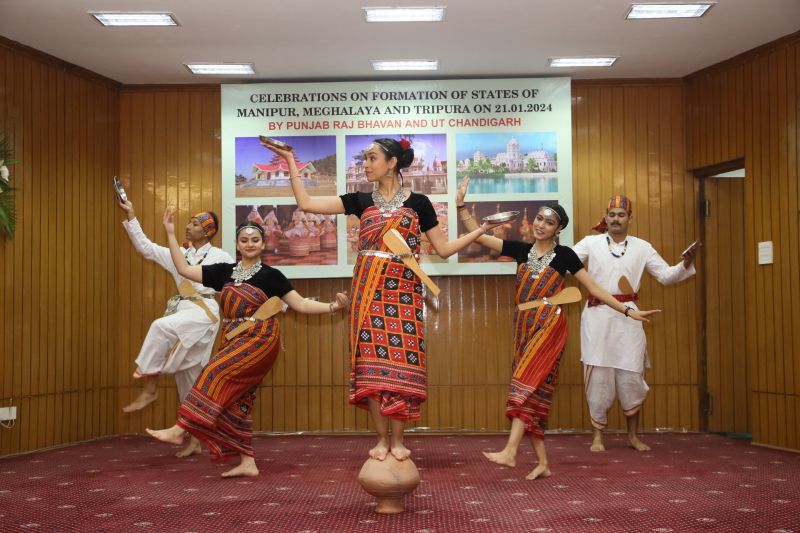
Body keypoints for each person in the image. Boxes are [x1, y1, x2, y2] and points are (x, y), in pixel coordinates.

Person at [263, 138, 502, 462]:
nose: (365, 163)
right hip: (367, 291)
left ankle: (399, 439)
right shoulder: (359, 200)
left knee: (402, 361)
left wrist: (481, 230)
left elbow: (443, 249)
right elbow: (305, 203)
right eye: (364, 158)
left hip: (403, 292)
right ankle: (380, 438)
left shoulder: (419, 203)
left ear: (392, 162)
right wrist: (291, 160)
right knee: (371, 363)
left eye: (372, 158)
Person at [457, 178, 660, 479]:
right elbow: (480, 237)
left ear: (558, 229)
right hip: (523, 326)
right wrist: (461, 205)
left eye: (549, 222)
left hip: (550, 325)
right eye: (539, 218)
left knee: (524, 383)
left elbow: (597, 289)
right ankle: (542, 463)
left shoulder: (566, 256)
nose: (540, 224)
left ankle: (511, 451)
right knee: (536, 392)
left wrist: (628, 311)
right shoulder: (520, 250)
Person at [146, 215, 349, 478]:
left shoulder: (272, 276)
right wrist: (171, 234)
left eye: (255, 240)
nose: (250, 244)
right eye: (244, 240)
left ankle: (181, 428)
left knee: (212, 372)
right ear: (237, 245)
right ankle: (247, 461)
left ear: (263, 244)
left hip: (261, 339)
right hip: (232, 337)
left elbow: (300, 304)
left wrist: (334, 307)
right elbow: (184, 270)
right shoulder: (224, 271)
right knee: (238, 402)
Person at [573, 195, 697, 452]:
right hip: (596, 317)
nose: (616, 219)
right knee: (598, 378)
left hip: (630, 318)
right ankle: (597, 436)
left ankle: (632, 436)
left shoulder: (642, 247)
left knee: (631, 376)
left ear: (630, 218)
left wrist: (686, 263)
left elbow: (665, 276)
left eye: (621, 214)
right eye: (612, 214)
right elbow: (566, 263)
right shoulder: (591, 243)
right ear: (605, 217)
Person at [118, 198, 234, 457]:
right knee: (189, 382)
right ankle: (195, 440)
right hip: (183, 310)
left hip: (204, 312)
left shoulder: (221, 257)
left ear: (208, 231)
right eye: (189, 222)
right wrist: (131, 214)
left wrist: (274, 304)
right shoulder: (178, 253)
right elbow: (146, 247)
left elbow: (239, 283)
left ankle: (149, 387)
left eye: (195, 223)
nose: (188, 226)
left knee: (159, 327)